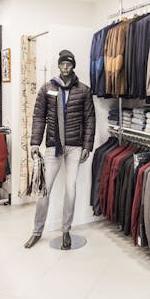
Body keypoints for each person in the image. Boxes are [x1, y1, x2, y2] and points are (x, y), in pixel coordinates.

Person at [25, 50, 96, 250]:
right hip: (52, 146)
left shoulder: (83, 90)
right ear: (58, 65)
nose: (65, 67)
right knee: (43, 190)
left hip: (75, 146)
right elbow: (39, 117)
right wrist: (34, 142)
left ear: (73, 66)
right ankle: (37, 232)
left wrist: (87, 146)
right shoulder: (47, 88)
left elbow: (90, 119)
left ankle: (66, 230)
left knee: (71, 189)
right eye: (62, 64)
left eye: (69, 64)